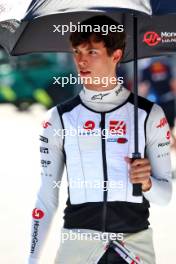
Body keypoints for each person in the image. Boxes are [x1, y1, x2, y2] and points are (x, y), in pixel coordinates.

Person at [28, 15, 172, 264]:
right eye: (76, 51)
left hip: (134, 248)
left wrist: (147, 183)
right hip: (78, 247)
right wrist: (31, 260)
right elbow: (46, 196)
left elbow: (165, 197)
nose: (81, 60)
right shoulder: (58, 118)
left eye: (92, 51)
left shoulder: (149, 115)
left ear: (116, 55)